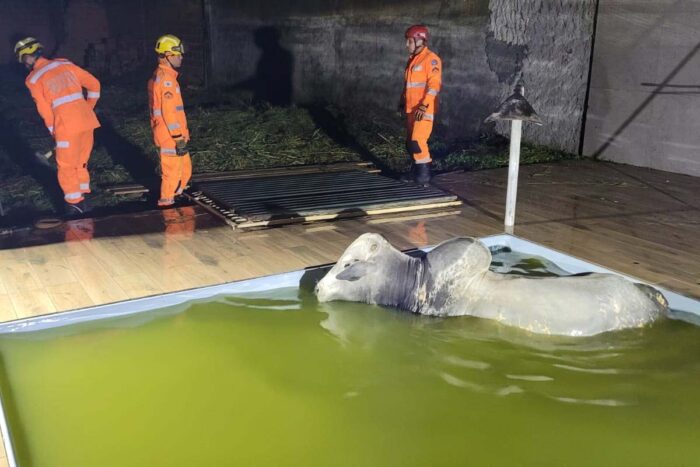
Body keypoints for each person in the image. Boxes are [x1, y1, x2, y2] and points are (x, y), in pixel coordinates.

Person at [15, 37, 101, 215]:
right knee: (81, 163)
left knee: (66, 167)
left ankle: (74, 205)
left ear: (28, 57)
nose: (25, 64)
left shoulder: (33, 79)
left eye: (23, 59)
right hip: (87, 121)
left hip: (65, 126)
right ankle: (85, 199)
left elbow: (44, 110)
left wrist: (54, 131)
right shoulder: (65, 64)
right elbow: (94, 85)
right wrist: (87, 108)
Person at [148, 34, 192, 207]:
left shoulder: (162, 75)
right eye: (177, 54)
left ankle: (176, 196)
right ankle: (167, 204)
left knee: (183, 169)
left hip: (171, 134)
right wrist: (178, 138)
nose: (181, 57)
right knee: (172, 173)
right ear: (167, 55)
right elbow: (169, 112)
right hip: (170, 136)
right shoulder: (166, 80)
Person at [400, 25, 442, 186]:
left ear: (419, 41)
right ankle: (415, 172)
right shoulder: (413, 60)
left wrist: (424, 106)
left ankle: (424, 178)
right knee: (410, 142)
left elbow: (434, 86)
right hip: (411, 109)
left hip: (423, 110)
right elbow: (409, 85)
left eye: (409, 41)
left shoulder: (431, 60)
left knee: (417, 141)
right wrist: (402, 101)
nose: (406, 45)